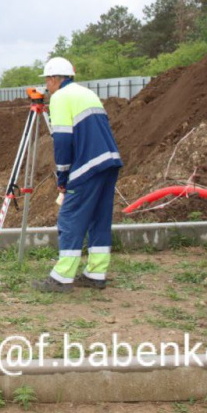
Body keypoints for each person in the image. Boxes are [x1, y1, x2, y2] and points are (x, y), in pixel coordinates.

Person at [33, 57, 123, 293]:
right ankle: (96, 273)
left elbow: (62, 139)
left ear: (53, 79)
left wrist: (62, 177)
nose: (47, 87)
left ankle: (62, 278)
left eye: (47, 81)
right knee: (99, 218)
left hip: (87, 166)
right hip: (109, 161)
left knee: (70, 218)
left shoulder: (60, 98)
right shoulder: (87, 94)